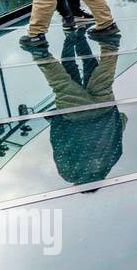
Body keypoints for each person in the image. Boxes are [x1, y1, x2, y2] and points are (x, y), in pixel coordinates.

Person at [30, 33, 126, 186]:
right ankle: (41, 52)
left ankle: (109, 44)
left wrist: (118, 116)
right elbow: (59, 143)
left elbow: (120, 127)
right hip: (75, 116)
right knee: (62, 81)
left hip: (103, 110)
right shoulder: (70, 173)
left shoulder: (110, 162)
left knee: (100, 75)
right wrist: (57, 118)